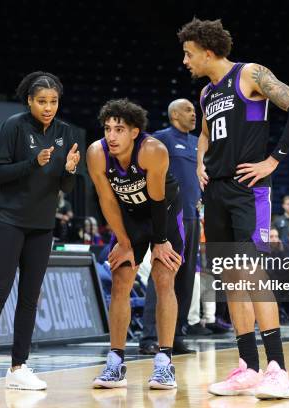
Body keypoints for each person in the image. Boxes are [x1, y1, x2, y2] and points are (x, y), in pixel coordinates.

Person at [179, 18, 289, 399]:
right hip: (216, 193)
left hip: (248, 190)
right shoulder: (206, 95)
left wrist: (274, 160)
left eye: (188, 54)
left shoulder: (250, 74)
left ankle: (278, 370)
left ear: (207, 51)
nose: (185, 61)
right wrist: (201, 161)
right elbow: (204, 134)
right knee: (233, 279)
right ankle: (248, 368)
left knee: (253, 276)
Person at [0, 71, 80, 392]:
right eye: (41, 101)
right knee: (0, 289)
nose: (48, 107)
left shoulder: (65, 132)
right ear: (29, 101)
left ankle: (18, 366)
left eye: (53, 101)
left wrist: (70, 170)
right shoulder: (14, 126)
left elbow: (64, 185)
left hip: (42, 224)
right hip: (8, 219)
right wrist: (33, 162)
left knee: (30, 297)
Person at [87, 99, 184, 390]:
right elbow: (107, 200)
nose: (112, 136)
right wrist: (125, 242)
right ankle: (115, 362)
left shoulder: (152, 150)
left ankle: (164, 362)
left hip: (163, 215)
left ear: (135, 132)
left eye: (120, 129)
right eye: (107, 129)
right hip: (128, 219)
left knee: (163, 278)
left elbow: (157, 201)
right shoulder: (96, 153)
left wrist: (161, 242)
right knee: (120, 280)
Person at [140, 98, 201, 354]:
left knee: (186, 278)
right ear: (174, 114)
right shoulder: (160, 138)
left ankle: (176, 334)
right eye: (188, 110)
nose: (194, 114)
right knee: (162, 277)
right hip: (170, 217)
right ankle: (149, 337)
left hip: (193, 218)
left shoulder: (198, 142)